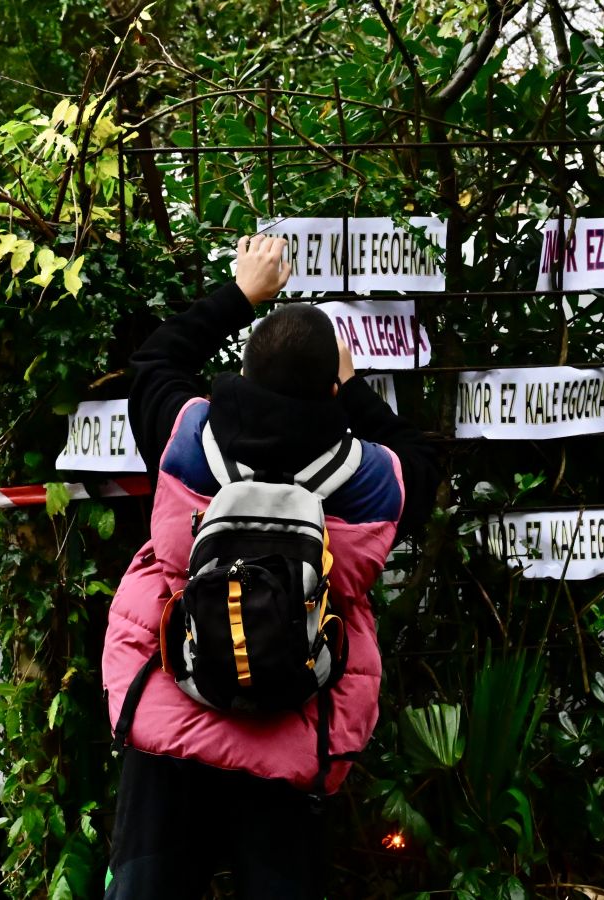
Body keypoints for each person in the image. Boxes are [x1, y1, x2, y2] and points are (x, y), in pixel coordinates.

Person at [102, 234, 440, 899]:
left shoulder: (186, 435)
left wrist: (241, 294)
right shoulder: (372, 480)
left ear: (245, 372)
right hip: (295, 725)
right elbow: (419, 456)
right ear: (329, 388)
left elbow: (156, 361)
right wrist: (349, 389)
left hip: (171, 708)